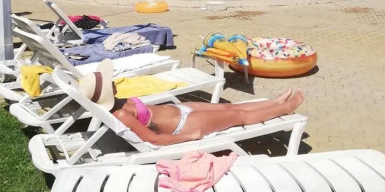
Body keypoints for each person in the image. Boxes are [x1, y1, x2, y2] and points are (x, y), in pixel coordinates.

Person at [79, 61, 305, 146]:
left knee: (230, 107)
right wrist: (188, 137)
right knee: (238, 117)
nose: (114, 81)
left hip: (181, 110)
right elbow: (153, 138)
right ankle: (285, 108)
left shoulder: (118, 101)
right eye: (109, 82)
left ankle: (274, 102)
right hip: (184, 125)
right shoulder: (120, 115)